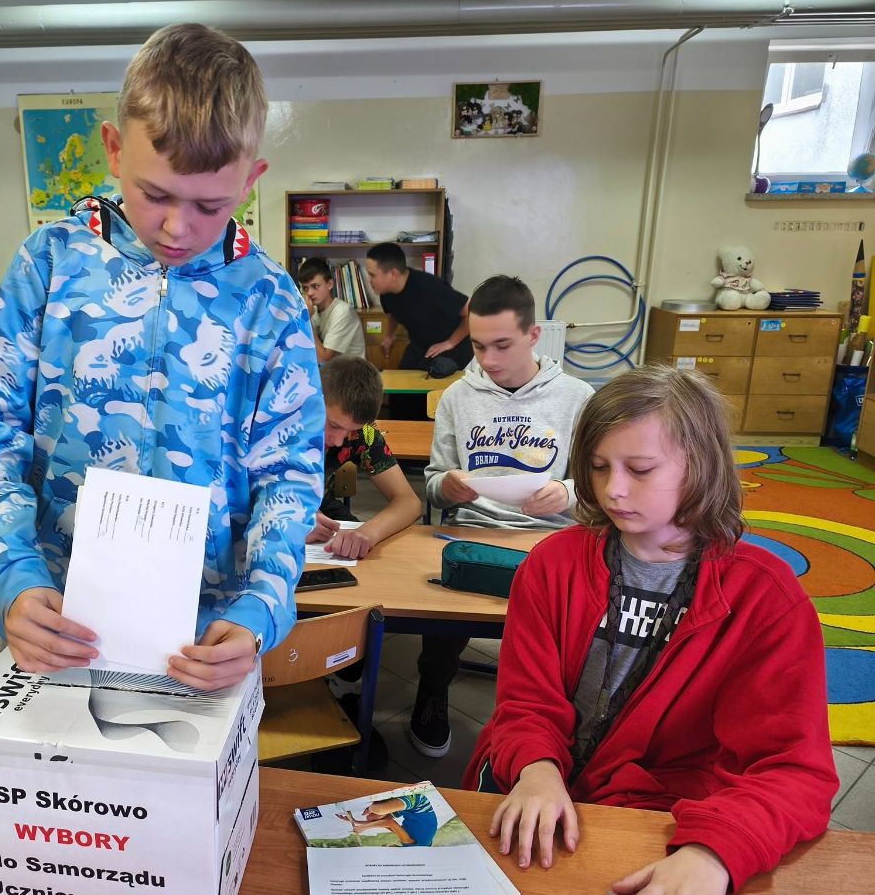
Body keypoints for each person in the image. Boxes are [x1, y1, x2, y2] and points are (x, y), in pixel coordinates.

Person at [0, 23, 324, 693]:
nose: (177, 228)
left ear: (251, 180)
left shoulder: (270, 299)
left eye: (210, 205)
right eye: (156, 195)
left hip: (208, 634)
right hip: (57, 619)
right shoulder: (50, 262)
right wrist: (13, 572)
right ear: (115, 151)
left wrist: (264, 604)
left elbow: (289, 473)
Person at [466, 364, 837, 894]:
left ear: (701, 465)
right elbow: (525, 704)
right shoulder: (552, 564)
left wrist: (715, 853)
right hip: (535, 784)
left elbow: (793, 771)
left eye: (640, 469)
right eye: (598, 467)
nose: (613, 490)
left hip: (669, 818)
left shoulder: (765, 597)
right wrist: (537, 769)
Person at [411, 275, 593, 759]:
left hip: (551, 538)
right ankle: (433, 689)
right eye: (477, 346)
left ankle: (560, 716)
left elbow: (598, 491)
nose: (488, 360)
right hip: (472, 531)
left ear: (533, 336)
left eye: (502, 345)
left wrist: (566, 493)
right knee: (439, 608)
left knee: (569, 627)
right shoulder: (458, 397)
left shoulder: (578, 398)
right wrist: (447, 486)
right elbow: (433, 484)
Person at [309, 356, 421, 559]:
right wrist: (290, 518)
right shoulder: (280, 421)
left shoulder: (362, 433)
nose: (338, 441)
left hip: (321, 510)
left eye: (350, 431)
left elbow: (409, 502)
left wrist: (369, 533)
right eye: (333, 425)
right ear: (313, 398)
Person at [365, 242, 474, 372]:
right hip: (421, 344)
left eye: (372, 275)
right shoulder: (386, 292)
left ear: (392, 274)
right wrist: (389, 335)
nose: (369, 280)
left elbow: (471, 311)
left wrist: (450, 343)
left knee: (425, 382)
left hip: (452, 346)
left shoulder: (429, 287)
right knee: (401, 380)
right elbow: (394, 312)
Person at [298, 257, 366, 362]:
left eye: (315, 286)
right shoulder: (313, 310)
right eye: (305, 288)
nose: (310, 293)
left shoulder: (343, 312)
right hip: (329, 370)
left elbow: (324, 359)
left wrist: (307, 319)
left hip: (351, 371)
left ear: (329, 284)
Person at [336, 790, 439, 847]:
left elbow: (385, 824)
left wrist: (355, 821)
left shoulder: (412, 843)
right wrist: (364, 828)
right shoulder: (411, 845)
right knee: (377, 809)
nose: (386, 846)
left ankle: (388, 804)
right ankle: (379, 806)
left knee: (372, 818)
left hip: (408, 812)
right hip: (419, 805)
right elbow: (390, 823)